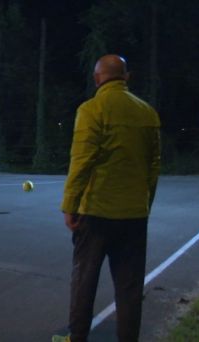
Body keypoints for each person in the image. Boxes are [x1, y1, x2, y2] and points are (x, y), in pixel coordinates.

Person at [52, 55, 161, 342]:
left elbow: (82, 161)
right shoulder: (147, 112)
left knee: (84, 281)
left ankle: (77, 337)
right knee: (130, 288)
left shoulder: (92, 109)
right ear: (127, 77)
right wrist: (144, 204)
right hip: (134, 216)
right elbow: (153, 167)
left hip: (96, 214)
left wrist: (70, 205)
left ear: (97, 78)